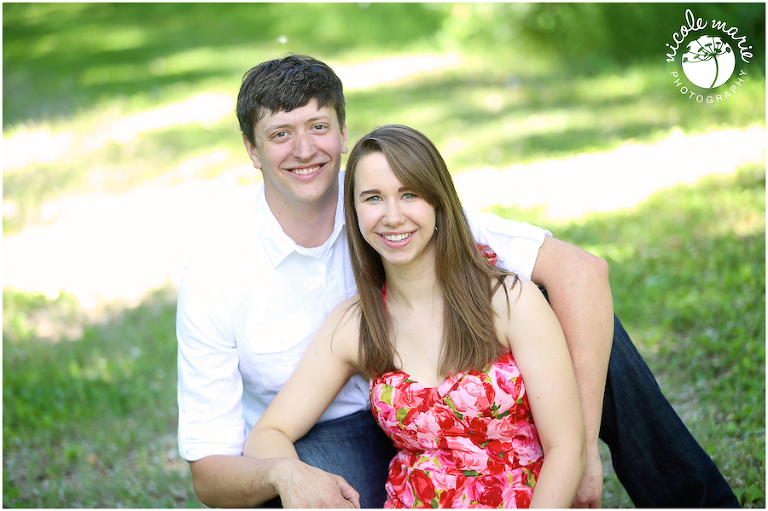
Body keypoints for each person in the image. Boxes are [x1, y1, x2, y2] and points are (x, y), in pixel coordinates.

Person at [176, 54, 739, 508]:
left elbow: (584, 273)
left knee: (578, 326)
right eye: (280, 135)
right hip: (335, 430)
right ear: (251, 150)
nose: (304, 150)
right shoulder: (220, 274)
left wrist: (579, 448)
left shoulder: (391, 193)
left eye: (318, 127)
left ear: (342, 132)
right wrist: (284, 475)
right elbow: (212, 471)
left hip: (464, 399)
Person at [243, 124, 587, 508]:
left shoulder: (508, 300)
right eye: (373, 198)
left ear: (438, 203)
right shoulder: (357, 324)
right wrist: (296, 479)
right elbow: (267, 433)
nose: (392, 216)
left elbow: (565, 449)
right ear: (353, 212)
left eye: (409, 194)